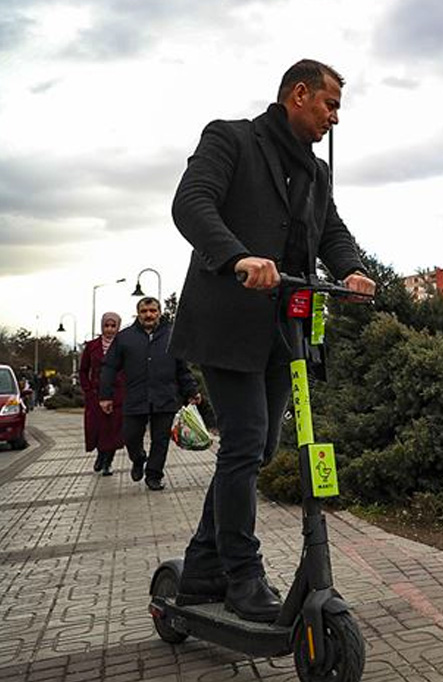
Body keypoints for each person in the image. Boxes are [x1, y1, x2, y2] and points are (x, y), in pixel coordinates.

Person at [169, 59, 375, 623]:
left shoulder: (315, 171)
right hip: (228, 322)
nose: (334, 118)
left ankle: (202, 563)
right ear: (299, 94)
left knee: (260, 451)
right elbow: (191, 204)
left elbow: (331, 229)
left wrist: (350, 270)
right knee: (244, 442)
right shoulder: (230, 138)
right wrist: (237, 256)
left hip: (284, 329)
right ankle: (242, 575)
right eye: (330, 105)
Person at [99, 297, 202, 491]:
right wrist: (105, 396)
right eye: (144, 311)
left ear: (159, 312)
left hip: (165, 397)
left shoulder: (173, 336)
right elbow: (109, 367)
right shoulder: (124, 338)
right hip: (135, 398)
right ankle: (138, 459)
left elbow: (182, 369)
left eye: (153, 311)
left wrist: (191, 390)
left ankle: (154, 475)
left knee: (161, 439)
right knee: (130, 436)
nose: (149, 315)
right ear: (138, 313)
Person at [80, 312, 126, 476]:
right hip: (95, 395)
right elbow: (84, 370)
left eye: (113, 326)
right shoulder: (92, 346)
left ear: (118, 327)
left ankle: (108, 462)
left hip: (117, 396)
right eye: (107, 325)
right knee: (98, 429)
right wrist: (88, 390)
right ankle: (100, 455)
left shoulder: (123, 346)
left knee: (113, 430)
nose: (109, 329)